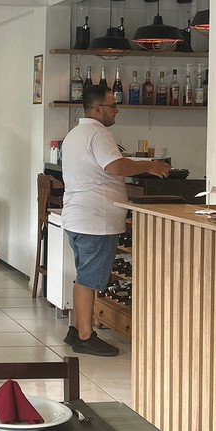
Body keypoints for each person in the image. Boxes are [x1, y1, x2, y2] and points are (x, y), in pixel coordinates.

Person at [61, 83, 170, 356]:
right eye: (112, 106)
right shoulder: (98, 134)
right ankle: (85, 336)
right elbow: (115, 166)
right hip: (95, 220)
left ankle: (76, 329)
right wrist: (150, 166)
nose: (116, 110)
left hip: (78, 216)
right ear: (96, 108)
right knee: (89, 279)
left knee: (83, 276)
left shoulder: (75, 133)